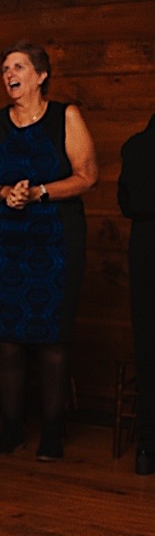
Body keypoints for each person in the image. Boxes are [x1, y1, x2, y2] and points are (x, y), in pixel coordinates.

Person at [0, 41, 98, 460]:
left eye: (19, 66)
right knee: (6, 338)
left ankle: (53, 432)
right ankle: (11, 429)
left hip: (56, 240)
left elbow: (86, 175)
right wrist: (4, 192)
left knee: (52, 338)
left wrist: (40, 191)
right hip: (3, 242)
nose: (10, 74)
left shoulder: (67, 116)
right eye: (5, 67)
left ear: (41, 75)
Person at [118, 112, 155, 475]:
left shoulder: (134, 146)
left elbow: (126, 204)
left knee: (147, 346)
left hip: (144, 246)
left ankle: (147, 446)